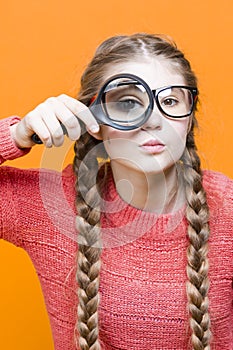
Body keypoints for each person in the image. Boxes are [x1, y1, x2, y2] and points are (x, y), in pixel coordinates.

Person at [0, 33, 232, 350]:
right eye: (127, 102)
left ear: (190, 115)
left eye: (169, 101)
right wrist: (16, 134)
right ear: (93, 120)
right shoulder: (51, 207)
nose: (153, 119)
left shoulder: (227, 208)